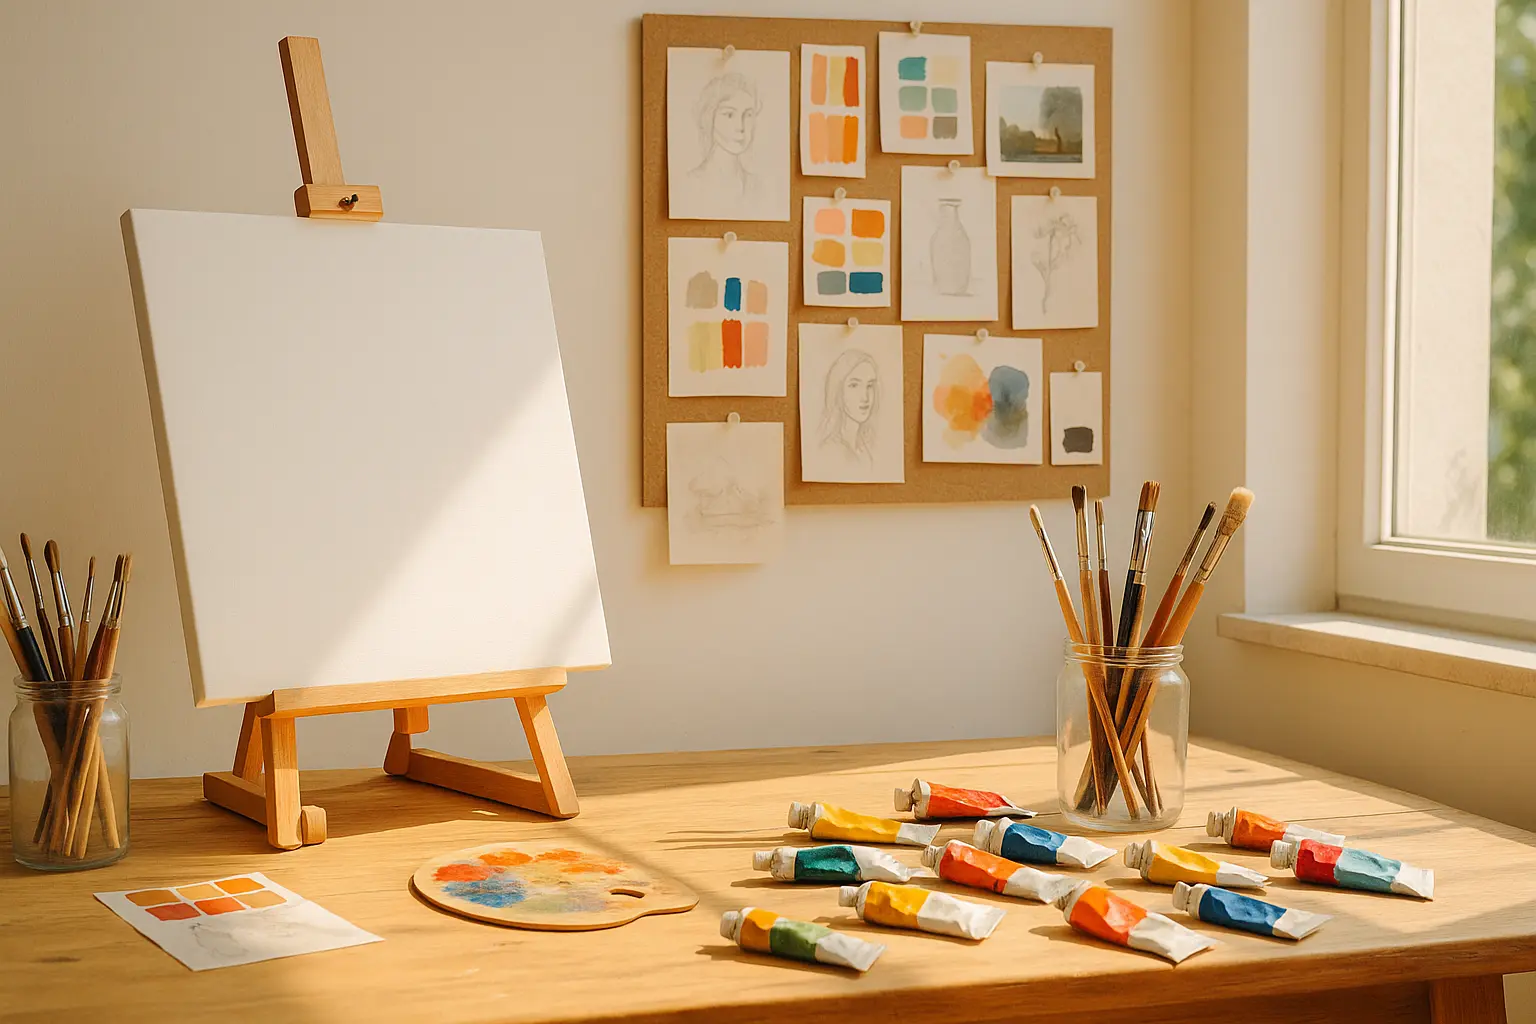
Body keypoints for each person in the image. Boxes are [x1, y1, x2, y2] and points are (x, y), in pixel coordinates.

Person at [689, 72, 763, 207]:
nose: (740, 127)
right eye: (729, 115)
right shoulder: (690, 184)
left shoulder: (758, 186)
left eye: (748, 115)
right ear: (709, 117)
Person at [819, 349, 880, 468]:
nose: (865, 397)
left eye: (869, 386)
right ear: (838, 391)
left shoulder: (864, 448)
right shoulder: (832, 451)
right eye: (854, 385)